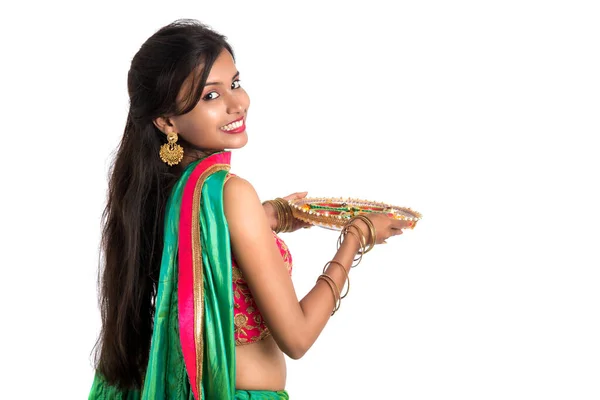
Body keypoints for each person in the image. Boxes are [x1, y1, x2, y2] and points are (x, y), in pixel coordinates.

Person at [89, 19, 411, 400]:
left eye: (235, 84)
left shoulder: (151, 192)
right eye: (211, 96)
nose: (237, 103)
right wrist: (357, 235)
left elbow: (201, 248)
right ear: (166, 121)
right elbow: (297, 337)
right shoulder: (230, 193)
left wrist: (270, 216)